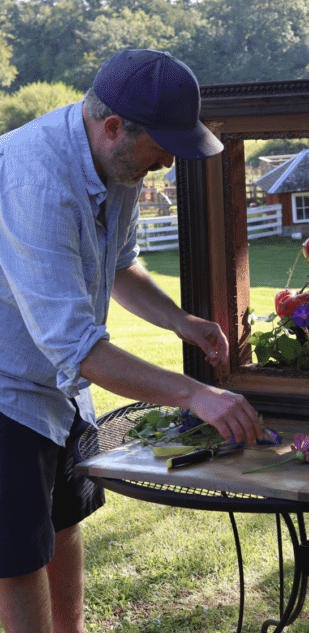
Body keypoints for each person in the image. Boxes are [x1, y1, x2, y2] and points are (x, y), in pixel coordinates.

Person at [0, 49, 264, 633]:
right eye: (163, 145)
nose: (169, 161)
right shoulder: (34, 183)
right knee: (17, 560)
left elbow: (120, 266)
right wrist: (196, 395)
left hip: (56, 391)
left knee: (64, 523)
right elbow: (79, 348)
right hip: (6, 390)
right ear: (114, 125)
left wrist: (179, 322)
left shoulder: (114, 164)